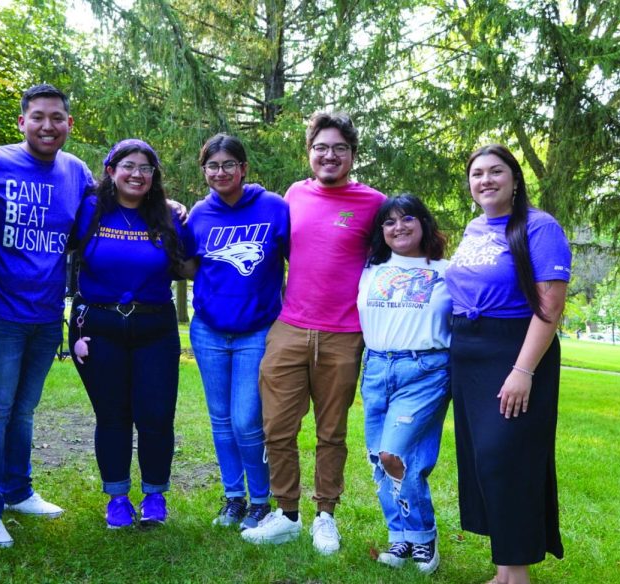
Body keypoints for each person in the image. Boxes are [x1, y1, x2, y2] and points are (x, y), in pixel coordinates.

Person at [242, 112, 386, 555]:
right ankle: (286, 515)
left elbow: (397, 251)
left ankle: (326, 515)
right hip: (290, 328)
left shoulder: (374, 203)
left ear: (352, 155)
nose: (329, 155)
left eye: (339, 148)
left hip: (345, 333)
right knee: (277, 428)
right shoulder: (293, 195)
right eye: (321, 147)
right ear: (309, 152)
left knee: (331, 432)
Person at [0, 84, 91, 547]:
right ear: (22, 122)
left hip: (45, 313)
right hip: (1, 313)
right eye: (37, 116)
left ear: (68, 124)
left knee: (23, 409)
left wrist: (171, 206)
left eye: (57, 117)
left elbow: (110, 208)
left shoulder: (76, 171)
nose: (47, 125)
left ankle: (17, 490)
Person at [446, 145, 569, 584]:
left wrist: (523, 371)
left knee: (506, 458)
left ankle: (516, 577)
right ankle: (504, 571)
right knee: (484, 460)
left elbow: (549, 308)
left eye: (496, 171)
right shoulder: (475, 228)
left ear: (515, 179)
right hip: (470, 353)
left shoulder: (540, 227)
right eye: (477, 173)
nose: (486, 180)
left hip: (514, 350)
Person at [68, 139, 185, 529]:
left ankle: (154, 494)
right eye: (128, 166)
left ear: (154, 177)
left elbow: (189, 265)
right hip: (98, 326)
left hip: (155, 326)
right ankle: (117, 498)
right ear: (111, 170)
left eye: (146, 168)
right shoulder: (86, 210)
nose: (137, 174)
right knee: (113, 415)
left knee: (155, 414)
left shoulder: (167, 217)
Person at [183, 134, 289, 530]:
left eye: (229, 164)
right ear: (205, 171)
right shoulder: (199, 214)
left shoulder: (274, 208)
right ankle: (233, 498)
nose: (221, 172)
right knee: (221, 419)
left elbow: (299, 261)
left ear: (243, 169)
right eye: (213, 165)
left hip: (257, 332)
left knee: (247, 420)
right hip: (209, 332)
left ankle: (261, 499)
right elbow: (190, 264)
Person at [357, 195, 451, 574]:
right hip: (377, 367)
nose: (399, 227)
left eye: (407, 218)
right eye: (389, 222)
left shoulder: (447, 270)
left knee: (396, 454)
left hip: (425, 369)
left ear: (424, 223)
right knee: (379, 459)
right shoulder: (369, 270)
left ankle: (424, 537)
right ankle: (400, 536)